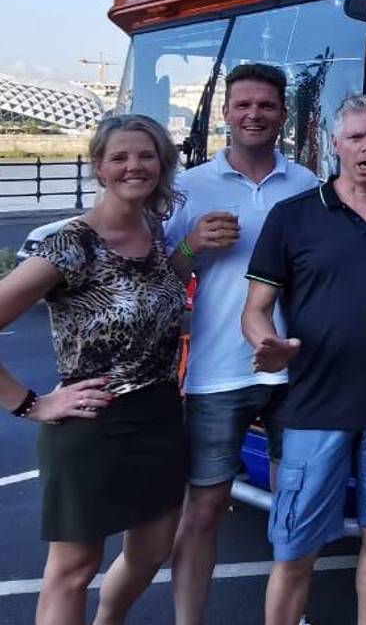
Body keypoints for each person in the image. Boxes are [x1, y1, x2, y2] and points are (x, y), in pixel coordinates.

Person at [242, 95, 366, 625]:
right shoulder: (292, 217)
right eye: (355, 137)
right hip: (313, 407)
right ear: (334, 143)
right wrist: (268, 343)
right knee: (294, 550)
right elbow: (255, 310)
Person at [0, 114, 187, 625]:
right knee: (74, 568)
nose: (135, 166)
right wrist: (31, 404)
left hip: (161, 416)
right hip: (92, 423)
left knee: (151, 553)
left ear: (162, 164)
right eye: (120, 157)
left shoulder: (155, 233)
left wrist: (192, 253)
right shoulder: (70, 244)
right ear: (99, 167)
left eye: (146, 155)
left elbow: (154, 297)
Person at [165, 63, 318, 625]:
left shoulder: (306, 185)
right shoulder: (188, 186)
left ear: (283, 114)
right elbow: (151, 272)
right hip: (216, 371)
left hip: (294, 368)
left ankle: (286, 614)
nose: (254, 114)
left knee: (292, 507)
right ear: (226, 113)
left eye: (266, 105)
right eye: (243, 105)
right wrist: (189, 246)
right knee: (203, 510)